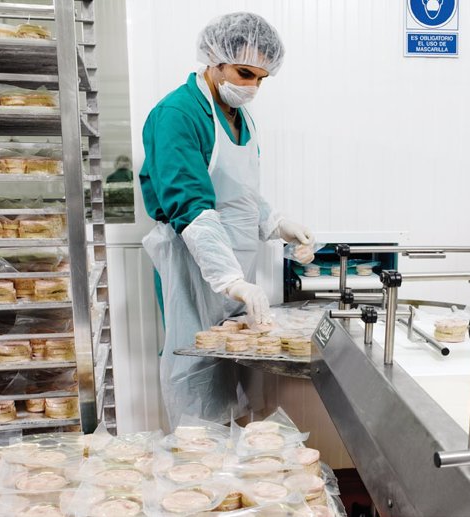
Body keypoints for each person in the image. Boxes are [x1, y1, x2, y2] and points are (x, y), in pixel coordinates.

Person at [140, 12, 315, 428]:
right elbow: (192, 207)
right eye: (244, 73)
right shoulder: (179, 114)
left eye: (261, 78)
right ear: (215, 59)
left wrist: (277, 223)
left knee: (230, 376)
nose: (252, 86)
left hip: (234, 272)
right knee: (196, 373)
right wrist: (229, 279)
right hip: (194, 268)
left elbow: (239, 193)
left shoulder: (240, 115)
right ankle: (196, 476)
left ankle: (232, 478)